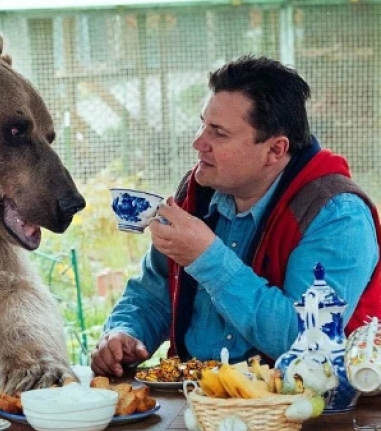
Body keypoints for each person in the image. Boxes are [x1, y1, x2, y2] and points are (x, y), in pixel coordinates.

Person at [91, 55, 381, 377]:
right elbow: (154, 290)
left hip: (299, 414)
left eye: (218, 133)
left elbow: (308, 343)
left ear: (275, 150)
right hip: (194, 401)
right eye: (203, 123)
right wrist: (125, 334)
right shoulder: (197, 191)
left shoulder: (337, 215)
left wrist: (207, 258)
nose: (198, 142)